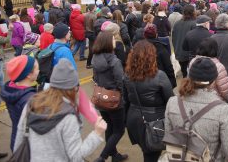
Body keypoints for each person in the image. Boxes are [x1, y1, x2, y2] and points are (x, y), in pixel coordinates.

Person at [14, 59, 107, 161]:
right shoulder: (68, 117)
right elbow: (75, 156)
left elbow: (19, 139)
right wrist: (97, 133)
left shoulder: (32, 103)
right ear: (72, 88)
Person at [164, 57, 228, 161]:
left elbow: (169, 137)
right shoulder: (222, 109)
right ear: (213, 81)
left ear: (190, 77)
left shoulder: (172, 103)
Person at [123, 40, 174, 162]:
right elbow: (171, 101)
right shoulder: (159, 76)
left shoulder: (127, 75)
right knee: (151, 154)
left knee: (147, 150)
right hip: (154, 122)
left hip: (134, 118)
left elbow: (125, 99)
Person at [92, 31, 128, 162]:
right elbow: (120, 81)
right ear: (108, 42)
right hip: (114, 99)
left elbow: (95, 78)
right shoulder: (114, 61)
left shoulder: (95, 58)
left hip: (101, 98)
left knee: (110, 128)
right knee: (119, 130)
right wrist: (122, 97)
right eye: (113, 39)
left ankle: (115, 155)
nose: (115, 41)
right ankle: (102, 157)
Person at [1, 55, 39, 151]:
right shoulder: (30, 99)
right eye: (37, 69)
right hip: (28, 146)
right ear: (29, 75)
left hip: (16, 138)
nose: (39, 71)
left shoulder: (10, 88)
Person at [172, 5, 197, 78]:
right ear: (193, 12)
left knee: (185, 74)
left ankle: (185, 87)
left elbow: (173, 39)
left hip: (179, 52)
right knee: (190, 76)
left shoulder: (177, 23)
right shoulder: (194, 24)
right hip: (189, 54)